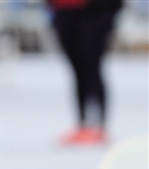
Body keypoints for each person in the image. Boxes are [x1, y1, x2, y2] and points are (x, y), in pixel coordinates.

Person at [48, 0, 123, 145]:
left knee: (92, 65)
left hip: (95, 11)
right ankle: (82, 124)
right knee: (78, 69)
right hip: (64, 11)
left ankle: (99, 125)